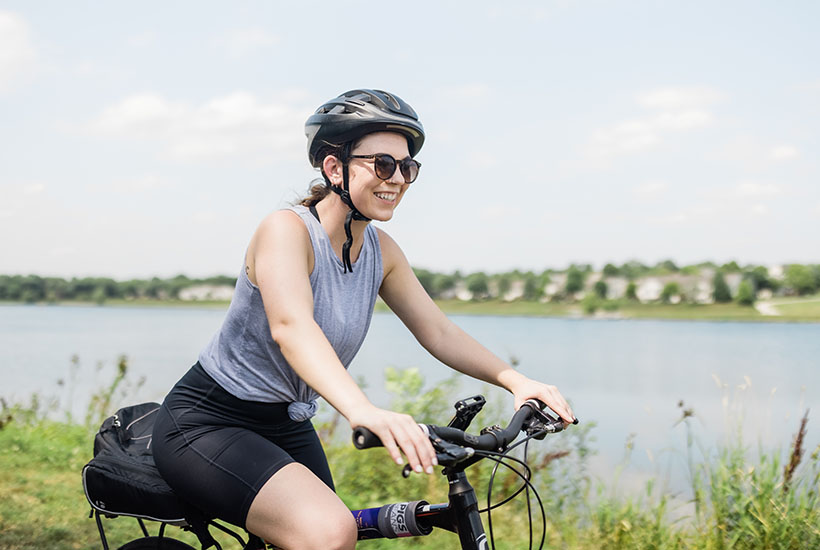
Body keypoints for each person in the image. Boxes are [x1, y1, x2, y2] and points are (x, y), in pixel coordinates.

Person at [152, 89, 576, 550]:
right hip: (208, 420)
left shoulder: (382, 251)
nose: (397, 178)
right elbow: (292, 327)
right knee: (330, 533)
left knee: (325, 535)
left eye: (407, 167)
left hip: (286, 423)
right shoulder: (286, 231)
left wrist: (515, 381)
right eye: (383, 164)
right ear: (334, 168)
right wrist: (364, 411)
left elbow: (438, 331)